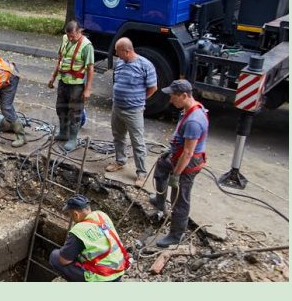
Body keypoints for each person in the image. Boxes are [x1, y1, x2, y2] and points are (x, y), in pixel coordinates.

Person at [151, 79, 209, 247]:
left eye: (173, 96)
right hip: (179, 154)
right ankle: (160, 201)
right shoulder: (189, 108)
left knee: (179, 198)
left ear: (184, 95)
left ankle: (176, 235)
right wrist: (171, 149)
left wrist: (176, 174)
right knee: (161, 165)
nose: (170, 100)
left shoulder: (194, 120)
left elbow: (189, 153)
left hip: (187, 163)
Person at [105, 37, 157, 187]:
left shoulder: (145, 65)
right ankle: (120, 161)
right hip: (117, 107)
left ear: (126, 51)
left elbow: (153, 87)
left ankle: (141, 173)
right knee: (118, 136)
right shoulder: (120, 62)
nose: (115, 54)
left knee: (137, 141)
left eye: (117, 51)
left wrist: (140, 99)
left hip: (134, 110)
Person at [49, 194, 130, 282]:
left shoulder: (79, 230)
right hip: (119, 269)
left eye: (70, 214)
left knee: (55, 256)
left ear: (76, 214)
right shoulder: (102, 215)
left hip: (103, 277)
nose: (71, 217)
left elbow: (64, 261)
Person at [47, 21, 94, 151]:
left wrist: (88, 89)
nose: (70, 39)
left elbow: (90, 68)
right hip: (63, 81)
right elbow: (60, 59)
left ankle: (73, 139)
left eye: (73, 36)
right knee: (60, 107)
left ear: (80, 32)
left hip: (76, 85)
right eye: (68, 36)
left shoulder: (87, 46)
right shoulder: (65, 39)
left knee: (75, 112)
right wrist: (53, 77)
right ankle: (63, 133)